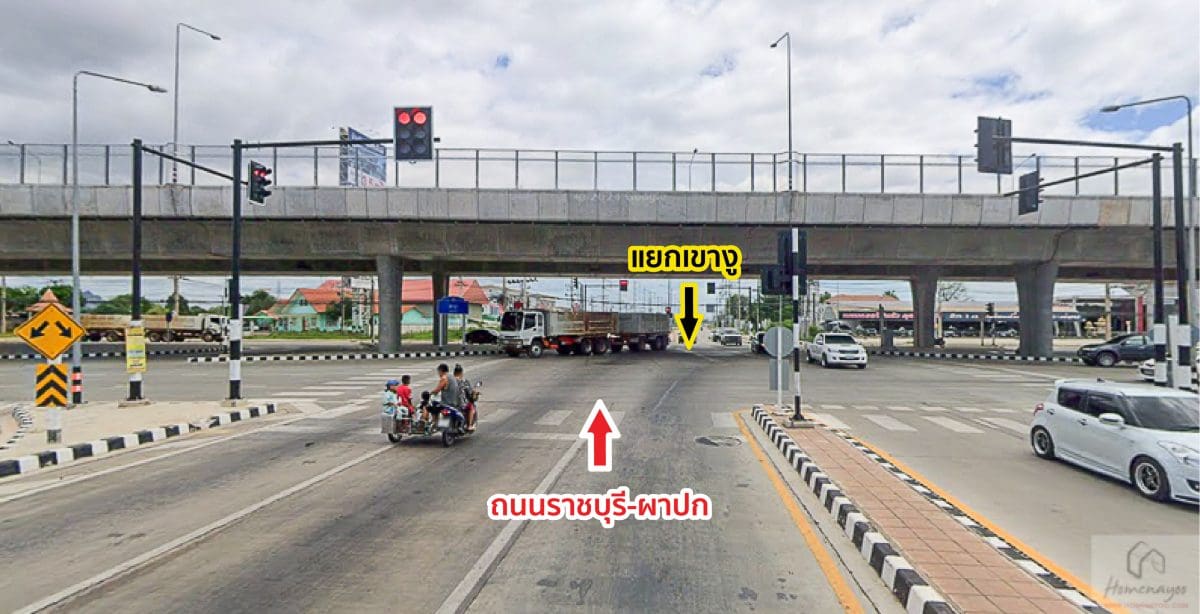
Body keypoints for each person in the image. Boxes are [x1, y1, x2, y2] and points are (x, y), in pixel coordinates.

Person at [429, 363, 462, 431]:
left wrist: (430, 393)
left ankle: (434, 422)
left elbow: (437, 390)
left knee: (432, 406)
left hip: (447, 402)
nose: (438, 374)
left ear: (441, 371)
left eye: (438, 372)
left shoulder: (444, 378)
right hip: (456, 401)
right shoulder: (452, 377)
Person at [454, 364, 476, 431]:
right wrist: (474, 393)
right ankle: (469, 426)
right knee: (471, 407)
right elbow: (469, 392)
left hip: (448, 403)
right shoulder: (464, 381)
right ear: (461, 373)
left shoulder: (448, 380)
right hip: (459, 403)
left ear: (454, 373)